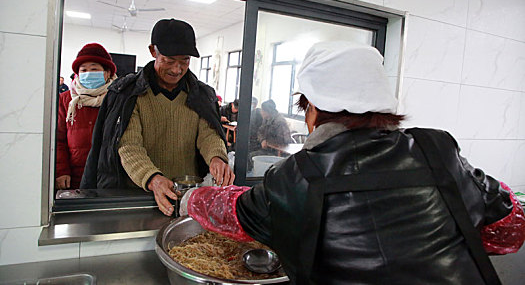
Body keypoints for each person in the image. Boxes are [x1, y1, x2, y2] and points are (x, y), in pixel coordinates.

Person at [180, 41, 525, 284]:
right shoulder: (438, 149)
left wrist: (190, 198)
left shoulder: (295, 176)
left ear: (313, 109)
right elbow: (511, 227)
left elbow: (235, 212)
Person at [81, 19, 233, 216]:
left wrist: (217, 158)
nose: (177, 70)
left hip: (186, 197)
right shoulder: (129, 94)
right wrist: (153, 178)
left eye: (184, 61)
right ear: (153, 51)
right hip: (138, 197)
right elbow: (129, 145)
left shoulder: (200, 95)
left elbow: (209, 134)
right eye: (169, 61)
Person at [56, 43, 117, 189]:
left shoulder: (117, 98)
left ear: (107, 72)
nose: (88, 73)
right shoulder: (66, 100)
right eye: (83, 70)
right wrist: (61, 170)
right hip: (74, 177)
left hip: (110, 176)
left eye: (94, 69)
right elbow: (58, 139)